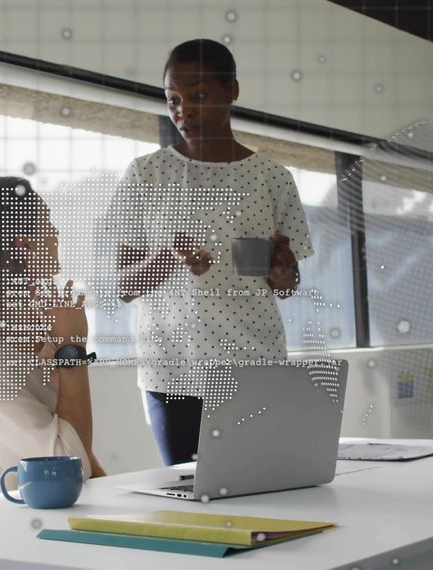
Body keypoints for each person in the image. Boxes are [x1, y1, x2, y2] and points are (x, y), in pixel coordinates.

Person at [109, 39, 314, 465]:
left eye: (199, 96)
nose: (184, 110)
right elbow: (124, 287)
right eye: (173, 100)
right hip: (173, 371)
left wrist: (283, 272)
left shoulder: (273, 178)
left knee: (259, 492)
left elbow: (287, 286)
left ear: (232, 91)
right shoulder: (145, 174)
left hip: (255, 364)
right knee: (189, 500)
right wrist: (169, 257)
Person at [0, 176, 106, 500]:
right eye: (47, 223)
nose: (55, 234)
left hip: (54, 519)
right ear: (23, 243)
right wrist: (73, 351)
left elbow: (86, 460)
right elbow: (68, 465)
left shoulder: (32, 333)